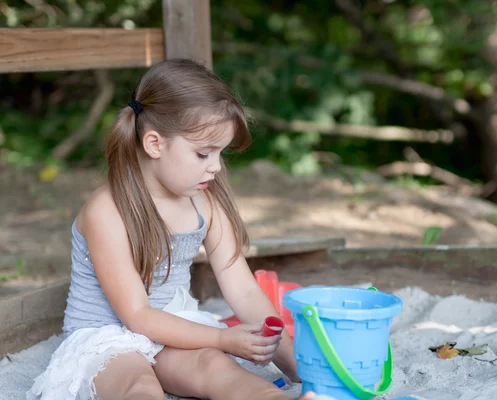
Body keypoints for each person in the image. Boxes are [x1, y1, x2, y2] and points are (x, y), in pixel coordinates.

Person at [26, 59, 320, 400]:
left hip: (174, 327)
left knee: (216, 369)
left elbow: (243, 291)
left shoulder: (203, 203)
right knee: (138, 384)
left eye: (221, 153)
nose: (216, 166)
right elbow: (137, 315)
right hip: (106, 336)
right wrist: (224, 338)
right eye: (203, 153)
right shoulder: (107, 211)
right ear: (155, 144)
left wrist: (293, 361)